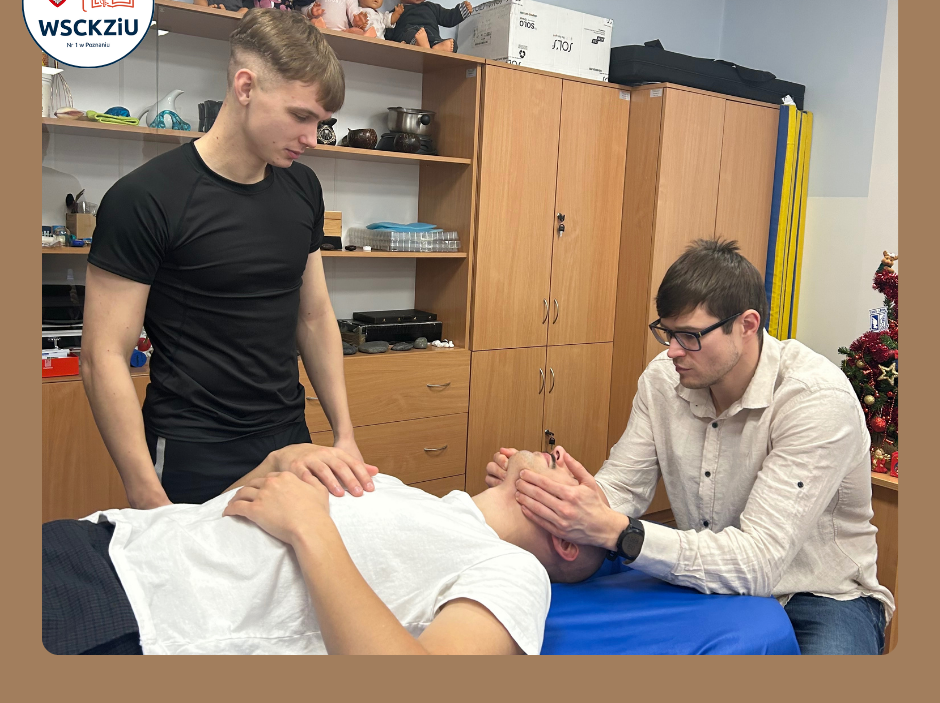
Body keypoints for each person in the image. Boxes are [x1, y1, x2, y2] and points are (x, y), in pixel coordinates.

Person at [486, 239, 895, 655]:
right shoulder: (663, 379)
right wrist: (548, 495)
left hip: (820, 596)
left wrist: (619, 532)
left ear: (747, 324)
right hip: (706, 578)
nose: (673, 351)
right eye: (667, 332)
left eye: (690, 336)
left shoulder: (814, 399)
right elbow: (622, 489)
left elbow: (758, 562)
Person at [81, 9, 373, 508]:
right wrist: (147, 493)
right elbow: (102, 357)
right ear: (245, 87)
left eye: (321, 123)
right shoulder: (145, 198)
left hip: (290, 436)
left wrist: (344, 435)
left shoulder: (303, 187)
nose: (311, 138)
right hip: (194, 449)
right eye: (300, 116)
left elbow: (314, 314)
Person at [42, 444, 605, 655]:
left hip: (130, 614)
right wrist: (273, 464)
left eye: (583, 484)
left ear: (567, 539)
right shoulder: (413, 496)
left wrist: (311, 529)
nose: (566, 457)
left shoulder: (512, 570)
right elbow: (226, 519)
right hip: (104, 538)